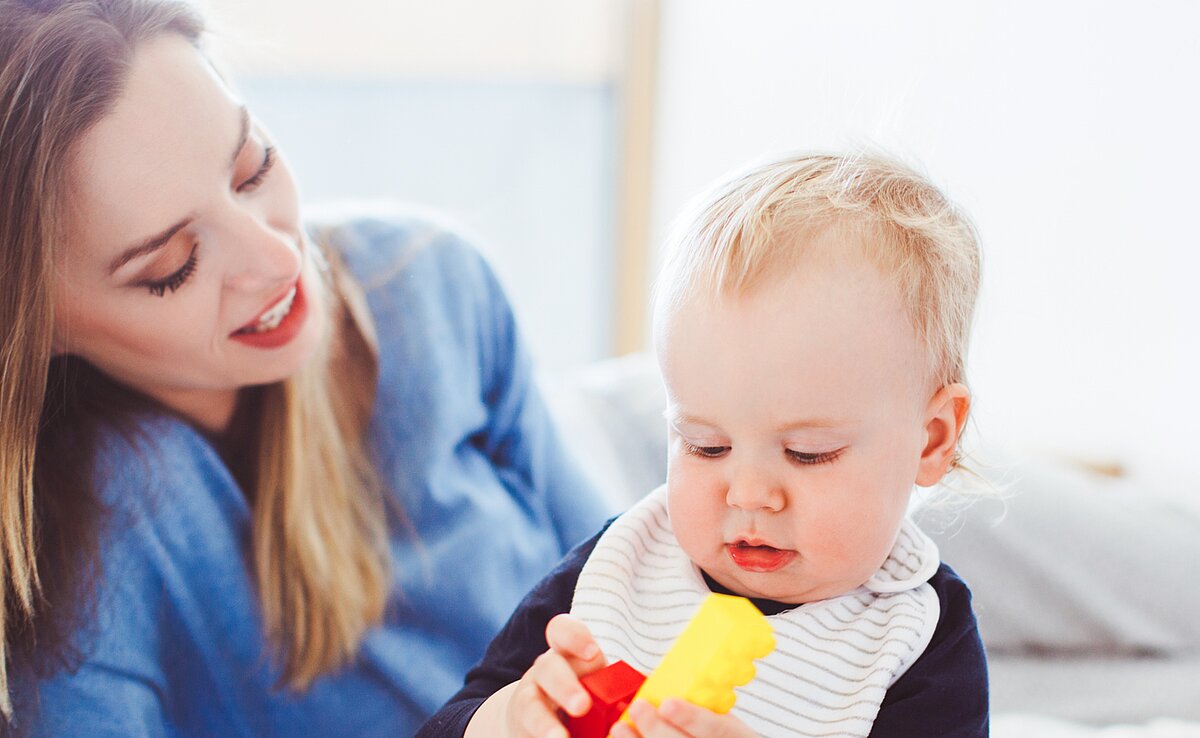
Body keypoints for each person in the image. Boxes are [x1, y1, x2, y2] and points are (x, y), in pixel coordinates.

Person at [0, 1, 613, 735]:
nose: (279, 258)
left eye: (252, 166)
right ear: (40, 329)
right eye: (172, 267)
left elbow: (634, 580)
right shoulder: (91, 525)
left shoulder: (432, 284)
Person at [418, 152, 990, 738]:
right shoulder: (622, 566)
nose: (748, 493)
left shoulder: (918, 638)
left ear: (932, 440)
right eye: (705, 446)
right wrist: (506, 720)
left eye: (807, 453)